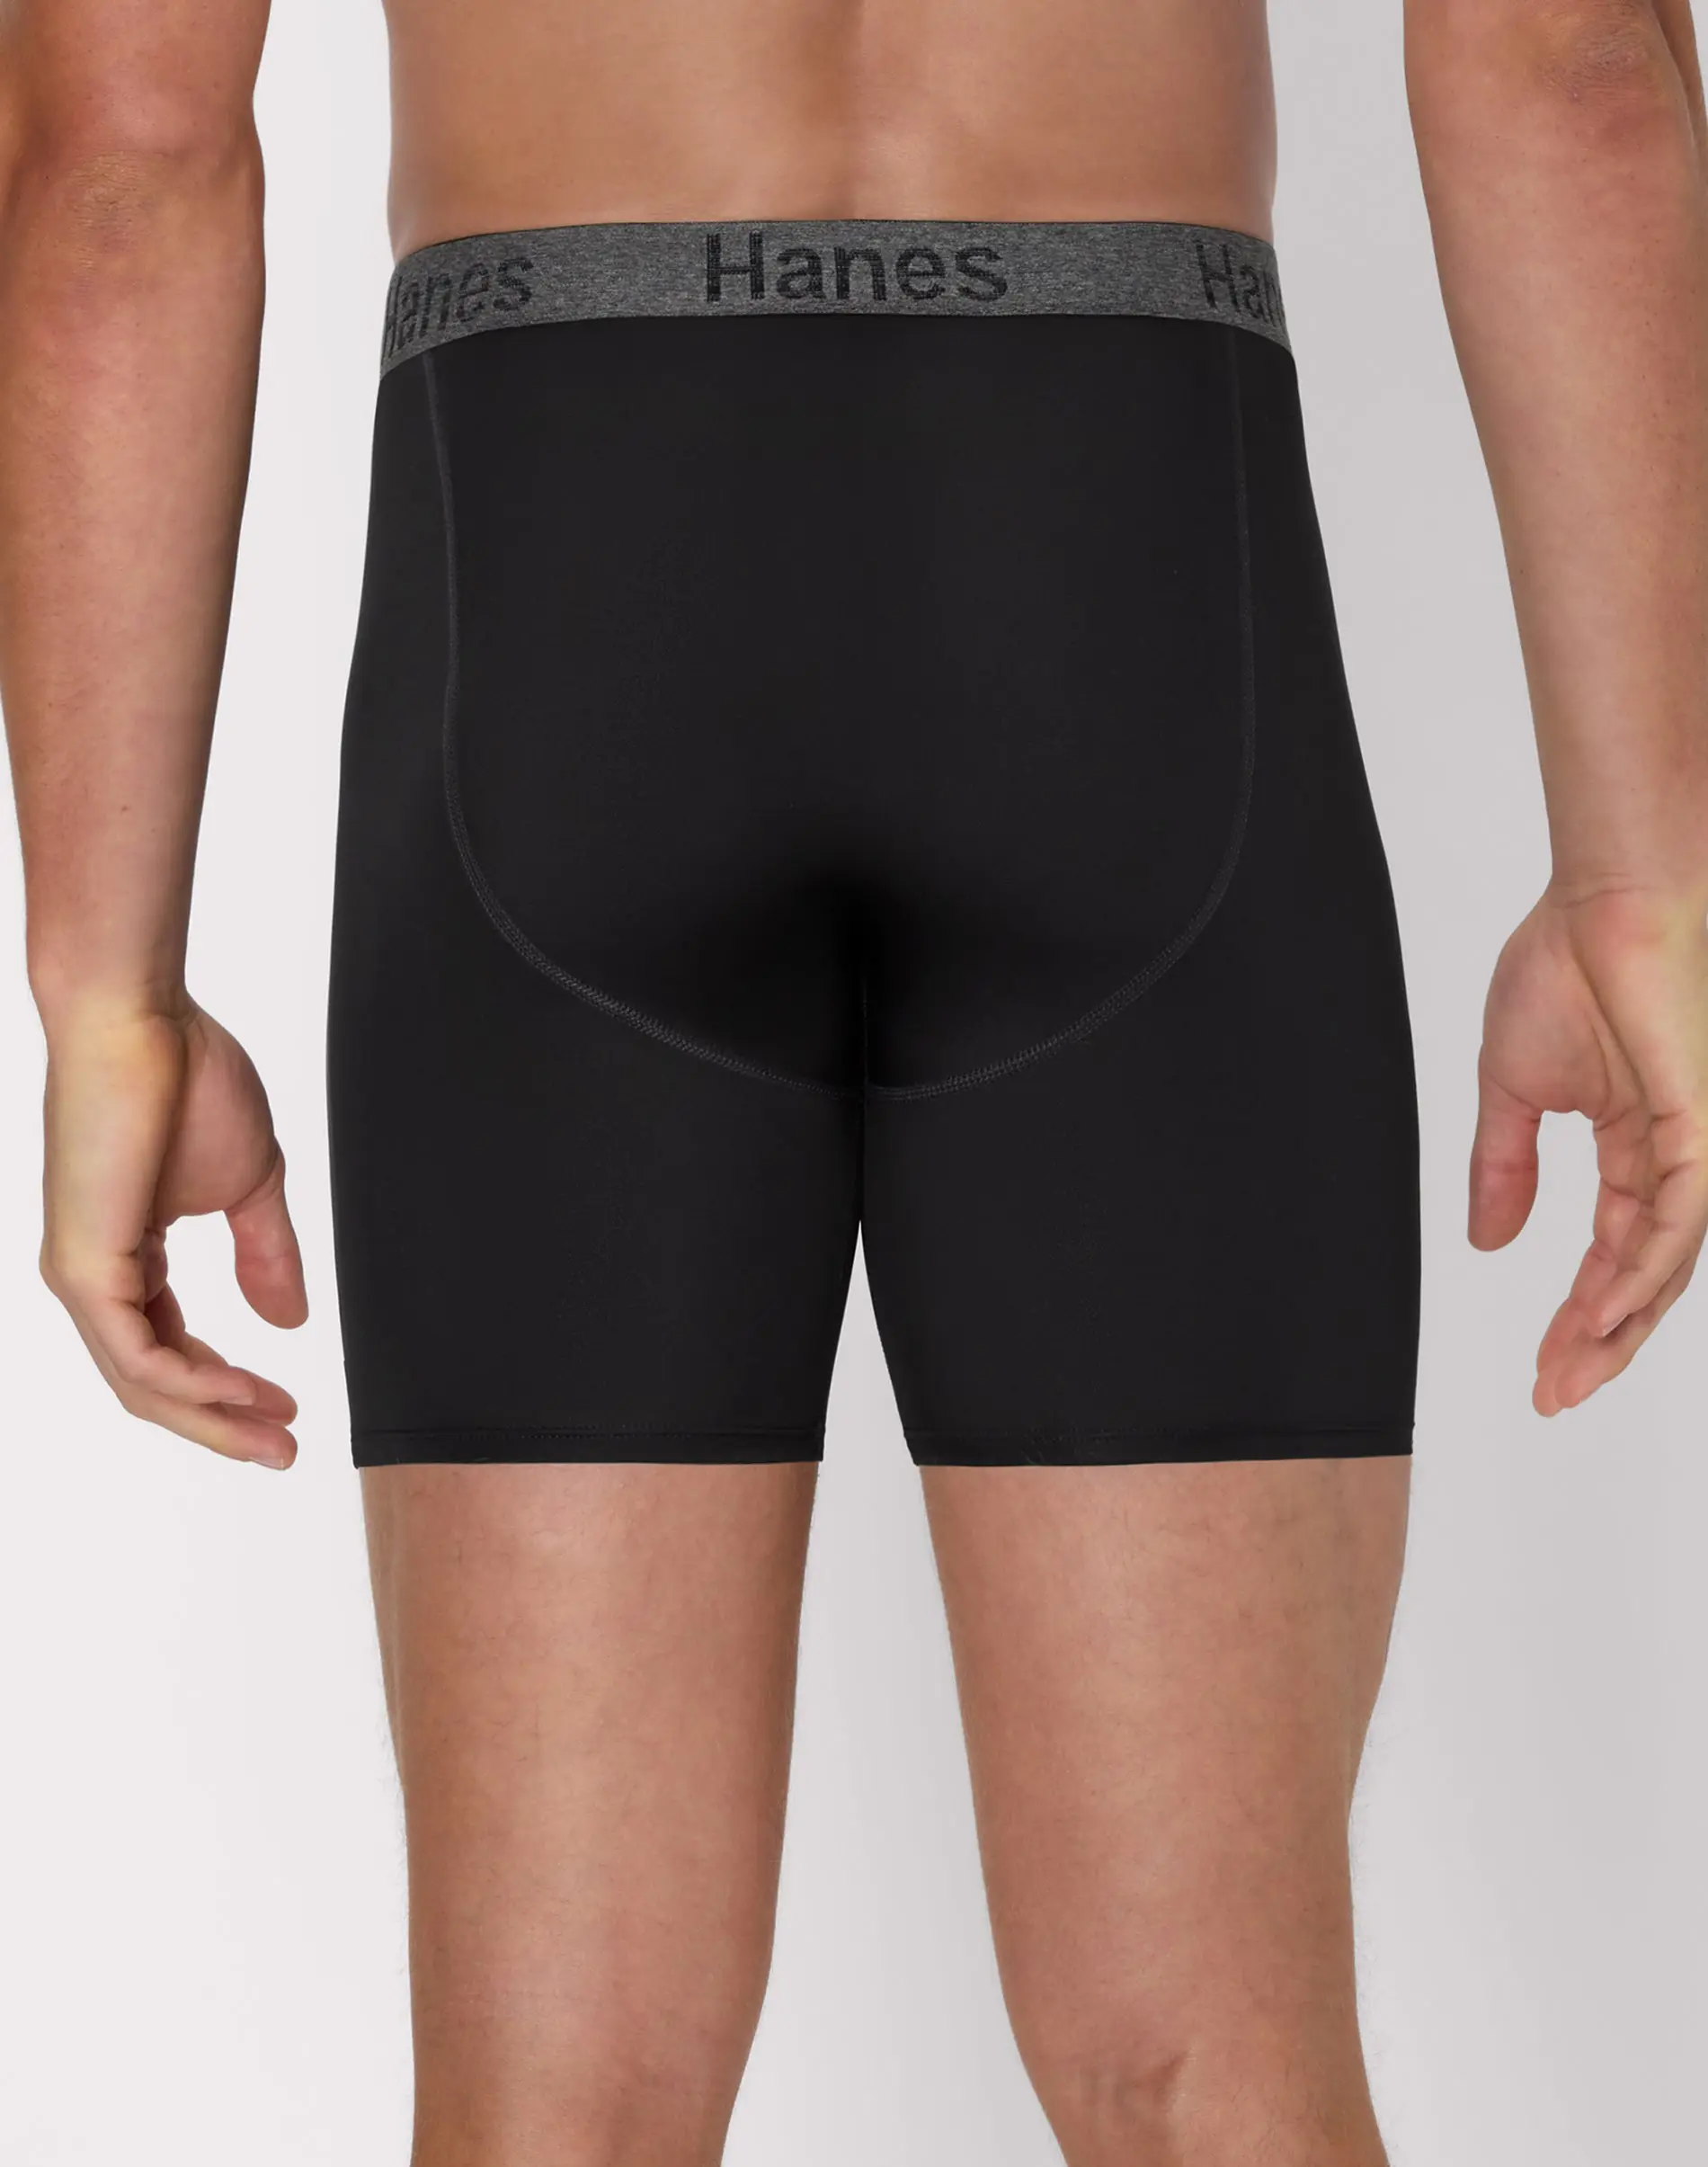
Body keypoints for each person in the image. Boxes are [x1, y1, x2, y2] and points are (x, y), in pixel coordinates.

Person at [3, 0, 1706, 2160]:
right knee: (1211, 2085)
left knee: (560, 2110)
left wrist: (108, 984)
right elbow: (1568, 65)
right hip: (1120, 574)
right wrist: (1640, 879)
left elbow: (122, 164)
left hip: (565, 584)